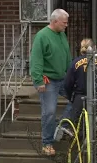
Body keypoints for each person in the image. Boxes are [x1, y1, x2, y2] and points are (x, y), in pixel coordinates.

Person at [30, 9, 73, 155]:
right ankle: (47, 143)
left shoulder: (62, 35)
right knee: (49, 111)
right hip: (48, 80)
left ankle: (62, 127)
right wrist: (38, 80)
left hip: (63, 78)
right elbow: (36, 60)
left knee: (79, 97)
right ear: (55, 21)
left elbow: (67, 55)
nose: (66, 25)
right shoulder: (42, 36)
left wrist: (71, 74)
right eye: (64, 22)